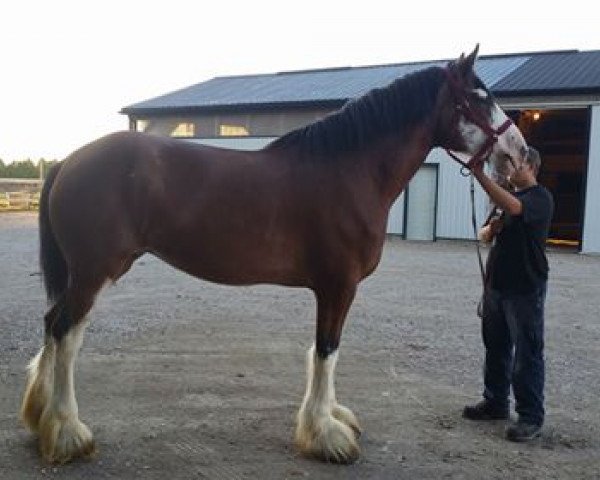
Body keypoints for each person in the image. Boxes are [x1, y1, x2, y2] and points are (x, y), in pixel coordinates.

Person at [463, 147, 554, 442]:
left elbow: (515, 208)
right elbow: (488, 232)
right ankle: (495, 401)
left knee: (527, 353)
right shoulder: (507, 201)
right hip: (497, 287)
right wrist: (492, 228)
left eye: (516, 164)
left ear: (532, 167)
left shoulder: (539, 197)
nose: (510, 169)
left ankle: (530, 417)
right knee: (496, 347)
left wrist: (479, 174)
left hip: (525, 288)